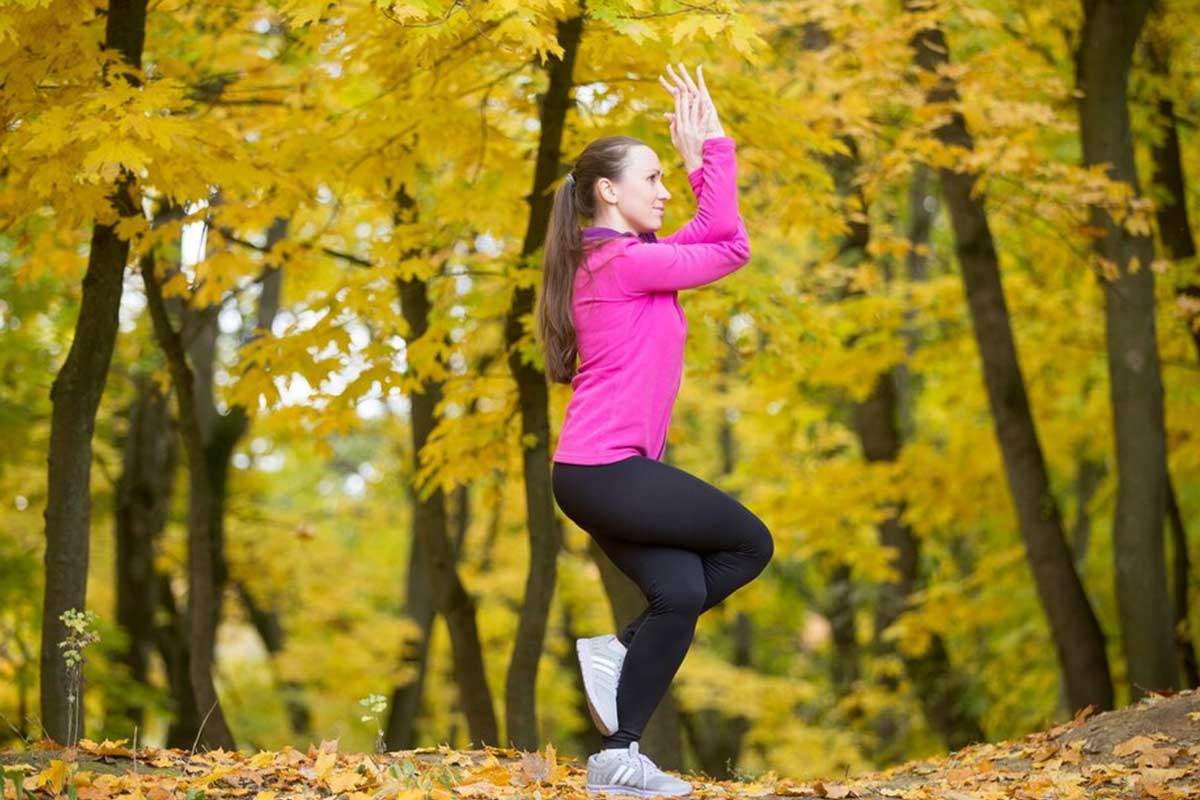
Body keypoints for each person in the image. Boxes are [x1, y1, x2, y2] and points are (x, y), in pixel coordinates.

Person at [535, 63, 775, 797]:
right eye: (652, 178)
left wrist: (705, 161)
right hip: (607, 472)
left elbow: (707, 234)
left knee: (680, 591)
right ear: (608, 191)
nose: (664, 189)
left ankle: (617, 757)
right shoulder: (621, 263)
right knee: (749, 542)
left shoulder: (620, 261)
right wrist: (713, 157)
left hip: (604, 475)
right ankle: (618, 647)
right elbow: (730, 248)